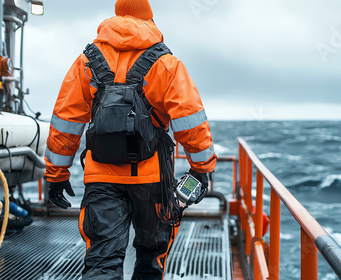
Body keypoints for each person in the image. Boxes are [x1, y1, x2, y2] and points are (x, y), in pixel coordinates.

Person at [43, 1, 217, 279]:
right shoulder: (166, 63)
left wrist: (57, 173)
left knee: (102, 260)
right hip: (153, 180)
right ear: (149, 18)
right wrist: (202, 168)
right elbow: (191, 121)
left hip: (101, 178)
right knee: (151, 257)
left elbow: (66, 120)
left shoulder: (86, 61)